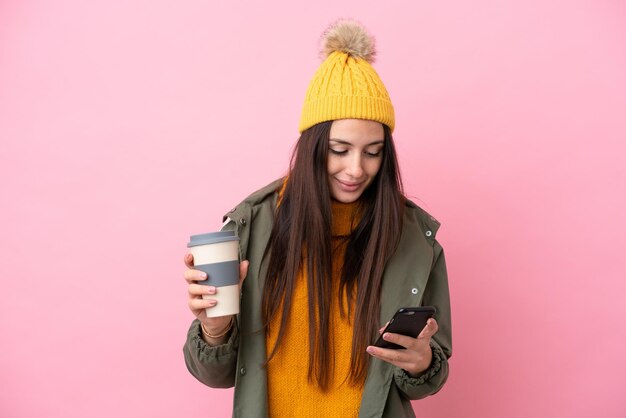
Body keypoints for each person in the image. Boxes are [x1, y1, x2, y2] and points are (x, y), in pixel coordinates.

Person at [182, 19, 452, 418]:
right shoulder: (252, 225)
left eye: (373, 152)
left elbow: (431, 376)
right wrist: (214, 328)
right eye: (339, 149)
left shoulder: (413, 238)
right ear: (312, 145)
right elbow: (214, 373)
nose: (356, 169)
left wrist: (422, 361)